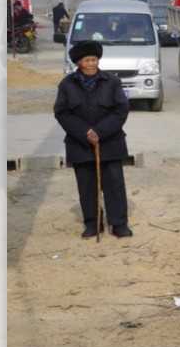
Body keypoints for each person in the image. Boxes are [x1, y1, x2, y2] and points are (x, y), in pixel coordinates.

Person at [53, 39, 132, 238]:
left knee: (114, 183)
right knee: (87, 185)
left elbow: (121, 109)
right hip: (80, 144)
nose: (91, 64)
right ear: (78, 63)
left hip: (110, 142)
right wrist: (84, 132)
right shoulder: (67, 85)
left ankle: (119, 223)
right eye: (87, 60)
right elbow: (62, 112)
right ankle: (93, 222)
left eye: (94, 60)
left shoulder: (111, 82)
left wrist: (100, 131)